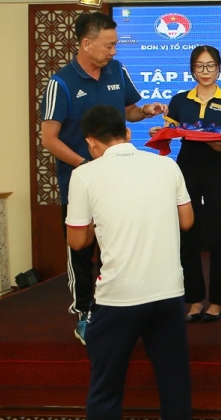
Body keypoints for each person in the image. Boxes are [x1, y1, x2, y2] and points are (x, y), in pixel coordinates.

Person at [66, 105, 193, 420]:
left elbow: (77, 241)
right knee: (174, 382)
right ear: (125, 132)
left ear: (90, 142)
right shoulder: (165, 165)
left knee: (105, 389)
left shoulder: (84, 174)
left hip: (117, 298)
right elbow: (187, 221)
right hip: (168, 294)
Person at [40, 12, 166, 345]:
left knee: (119, 246)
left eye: (115, 45)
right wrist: (87, 166)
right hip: (79, 181)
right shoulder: (62, 82)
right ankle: (84, 312)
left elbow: (129, 111)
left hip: (121, 180)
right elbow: (49, 138)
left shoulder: (117, 70)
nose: (113, 51)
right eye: (108, 45)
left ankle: (123, 309)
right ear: (86, 43)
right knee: (81, 251)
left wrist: (147, 110)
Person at [161, 45, 221, 323]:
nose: (205, 72)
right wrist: (160, 133)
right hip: (187, 168)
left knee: (220, 235)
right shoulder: (180, 99)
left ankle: (218, 301)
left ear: (220, 67)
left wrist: (220, 145)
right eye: (199, 66)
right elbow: (167, 134)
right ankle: (193, 299)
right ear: (191, 68)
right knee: (187, 233)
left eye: (210, 66)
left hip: (217, 167)